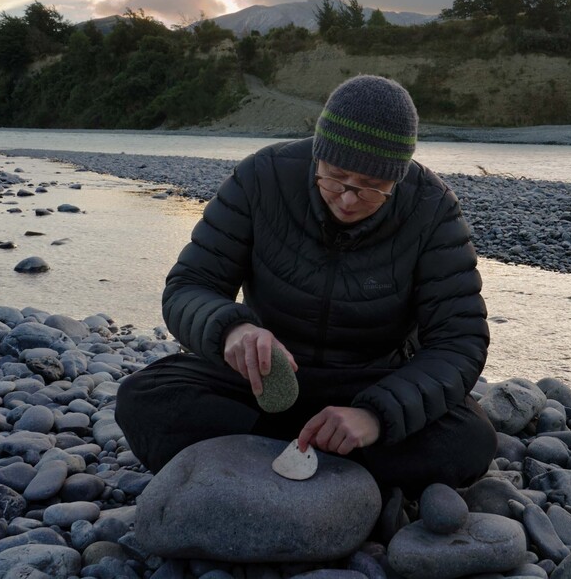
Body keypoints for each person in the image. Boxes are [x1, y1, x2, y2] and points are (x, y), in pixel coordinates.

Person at [115, 75, 496, 497]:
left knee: (469, 440)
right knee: (143, 397)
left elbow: (459, 341)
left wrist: (375, 417)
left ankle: (268, 464)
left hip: (368, 382)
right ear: (319, 154)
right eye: (336, 176)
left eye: (373, 187)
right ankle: (333, 474)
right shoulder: (262, 177)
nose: (349, 198)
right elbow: (189, 285)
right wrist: (232, 330)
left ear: (398, 178)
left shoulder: (432, 208)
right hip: (265, 379)